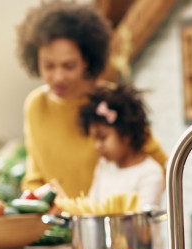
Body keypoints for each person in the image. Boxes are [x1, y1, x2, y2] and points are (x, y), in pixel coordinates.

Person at [15, 1, 168, 197]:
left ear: (87, 60)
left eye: (69, 66)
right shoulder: (36, 106)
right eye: (48, 66)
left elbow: (163, 167)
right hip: (57, 224)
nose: (58, 77)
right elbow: (35, 178)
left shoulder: (113, 103)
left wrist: (126, 209)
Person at [78, 83, 164, 209]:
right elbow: (92, 205)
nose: (97, 145)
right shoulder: (104, 165)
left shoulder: (150, 173)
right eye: (95, 139)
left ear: (127, 134)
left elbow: (143, 223)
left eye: (103, 138)